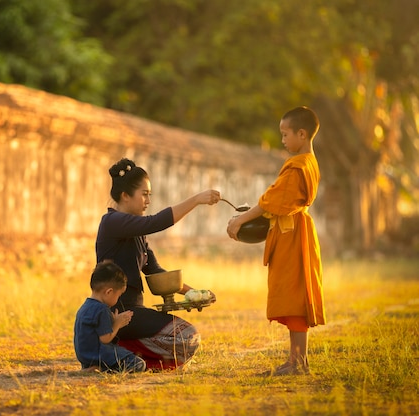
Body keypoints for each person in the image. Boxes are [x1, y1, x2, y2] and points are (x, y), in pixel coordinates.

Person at [227, 106, 326, 376]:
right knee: (291, 293)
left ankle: (299, 362)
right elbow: (276, 201)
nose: (282, 140)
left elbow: (272, 201)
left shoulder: (298, 166)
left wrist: (239, 220)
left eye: (285, 134)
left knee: (294, 295)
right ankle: (296, 360)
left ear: (302, 134)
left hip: (292, 233)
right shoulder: (308, 162)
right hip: (292, 230)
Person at [96, 158, 221, 370]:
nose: (148, 200)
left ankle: (126, 355)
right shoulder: (112, 223)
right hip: (117, 313)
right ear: (125, 196)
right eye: (144, 194)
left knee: (187, 339)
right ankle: (117, 353)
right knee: (187, 336)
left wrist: (195, 294)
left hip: (133, 312)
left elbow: (157, 272)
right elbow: (155, 222)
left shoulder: (137, 234)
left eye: (149, 195)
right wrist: (197, 199)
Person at [73, 260, 147, 373]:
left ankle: (92, 367)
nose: (118, 300)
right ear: (109, 292)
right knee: (139, 364)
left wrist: (112, 321)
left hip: (85, 356)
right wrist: (117, 324)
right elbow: (105, 338)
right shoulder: (102, 309)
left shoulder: (85, 306)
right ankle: (102, 369)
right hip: (99, 355)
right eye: (118, 295)